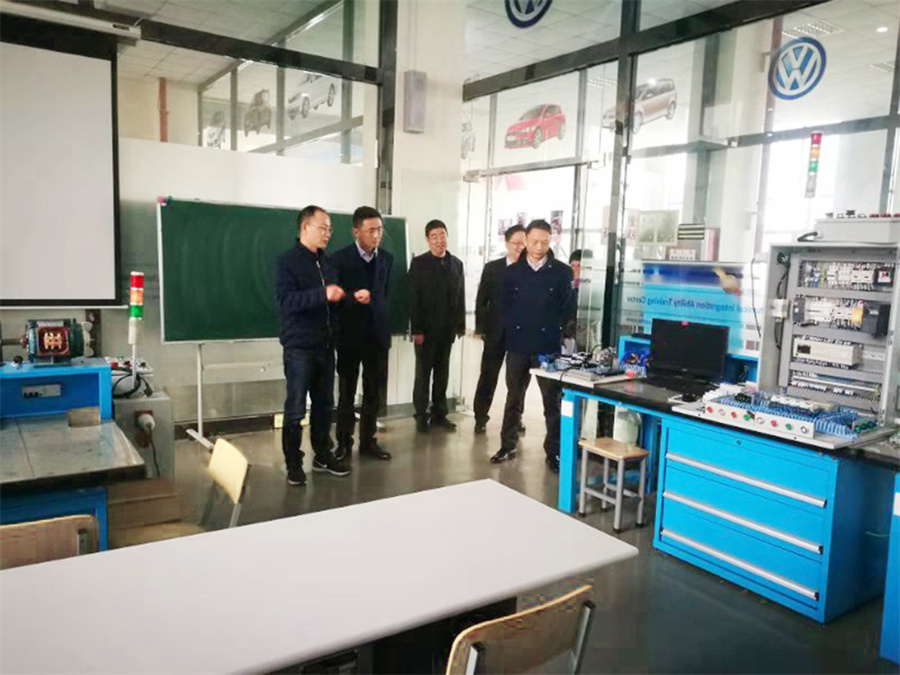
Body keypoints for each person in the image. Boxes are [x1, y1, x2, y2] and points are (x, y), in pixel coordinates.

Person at [491, 220, 576, 472]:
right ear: (525, 241)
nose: (539, 247)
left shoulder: (561, 272)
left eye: (544, 242)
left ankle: (554, 452)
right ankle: (507, 445)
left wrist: (561, 335)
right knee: (513, 398)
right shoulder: (512, 272)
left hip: (547, 347)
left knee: (552, 403)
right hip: (517, 345)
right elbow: (503, 307)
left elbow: (568, 309)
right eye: (535, 241)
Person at [275, 205, 350, 486]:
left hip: (326, 346)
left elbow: (332, 302)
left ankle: (322, 455)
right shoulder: (287, 262)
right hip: (299, 348)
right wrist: (323, 294)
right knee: (296, 408)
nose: (328, 233)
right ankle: (293, 463)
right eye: (323, 228)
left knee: (324, 405)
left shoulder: (328, 262)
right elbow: (286, 301)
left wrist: (349, 297)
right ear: (305, 227)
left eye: (330, 229)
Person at [332, 206, 393, 462]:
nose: (376, 235)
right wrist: (353, 298)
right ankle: (344, 443)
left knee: (373, 393)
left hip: (377, 336)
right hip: (349, 337)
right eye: (371, 230)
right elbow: (333, 297)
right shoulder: (339, 259)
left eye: (379, 229)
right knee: (347, 394)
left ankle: (368, 442)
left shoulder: (387, 259)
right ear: (356, 232)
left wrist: (375, 302)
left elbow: (386, 295)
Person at [408, 219, 466, 433]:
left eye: (442, 235)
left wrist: (460, 325)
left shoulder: (456, 264)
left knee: (442, 374)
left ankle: (439, 414)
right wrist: (416, 330)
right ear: (427, 239)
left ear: (447, 236)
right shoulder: (419, 264)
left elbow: (460, 297)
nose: (439, 240)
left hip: (447, 331)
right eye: (434, 236)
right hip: (425, 332)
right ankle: (421, 415)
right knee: (423, 375)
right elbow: (413, 298)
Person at [472, 224, 526, 434]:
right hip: (495, 333)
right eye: (516, 243)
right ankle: (480, 416)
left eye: (523, 243)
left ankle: (515, 418)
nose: (520, 247)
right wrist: (482, 329)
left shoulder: (530, 270)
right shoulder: (492, 268)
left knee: (518, 381)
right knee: (488, 376)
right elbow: (481, 300)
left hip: (520, 336)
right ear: (507, 244)